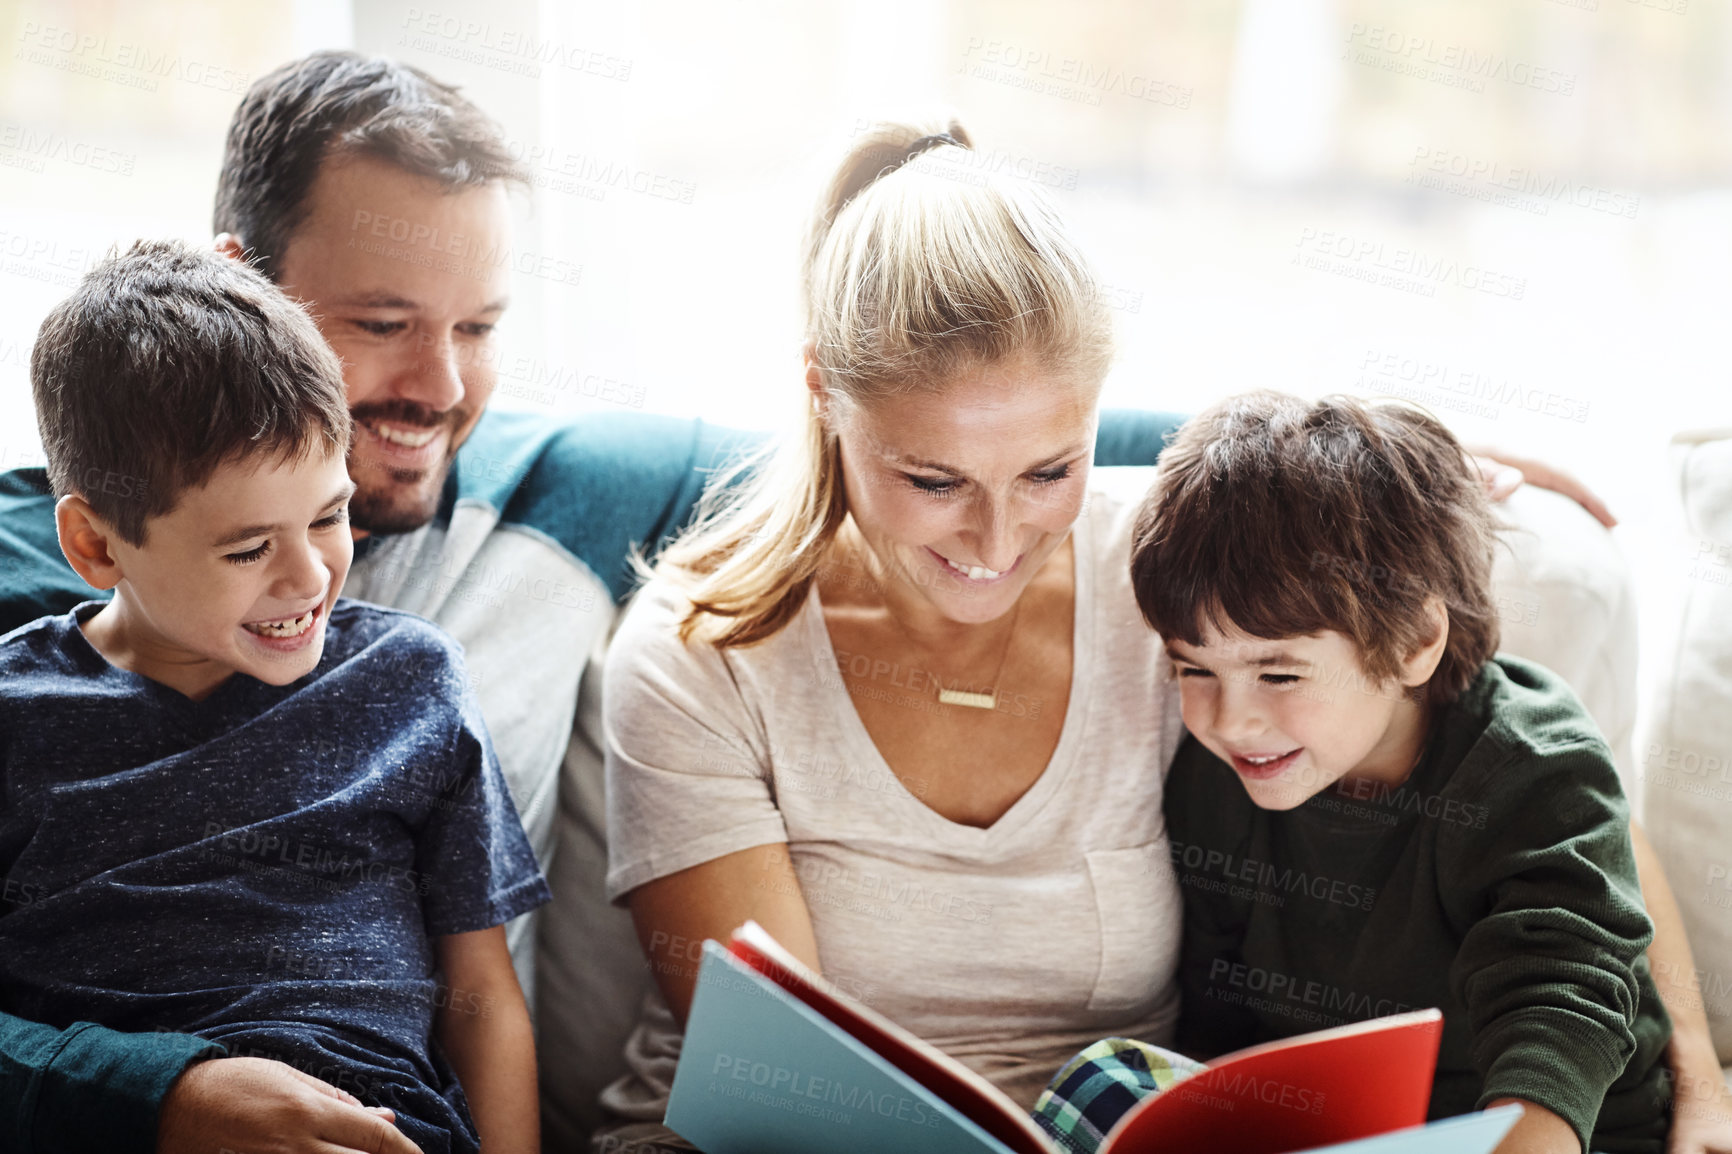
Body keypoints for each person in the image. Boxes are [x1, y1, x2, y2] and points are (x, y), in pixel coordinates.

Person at [0, 54, 1188, 1153]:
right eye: (380, 325)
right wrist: (152, 1098)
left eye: (479, 327)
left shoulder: (559, 484)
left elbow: (958, 416)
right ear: (241, 288)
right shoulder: (33, 591)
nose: (442, 386)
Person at [592, 122, 1732, 1154]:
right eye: (933, 478)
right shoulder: (701, 651)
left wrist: (1694, 1067)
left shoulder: (1172, 571)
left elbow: (1543, 785)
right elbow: (776, 1076)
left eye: (1050, 467)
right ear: (822, 397)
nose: (999, 538)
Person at [2, 240, 549, 1154]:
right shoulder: (19, 718)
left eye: (330, 516)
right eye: (248, 548)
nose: (308, 578)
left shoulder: (411, 685)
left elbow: (483, 1001)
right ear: (96, 546)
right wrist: (159, 1100)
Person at [1056, 390, 1672, 1154]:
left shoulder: (1533, 763)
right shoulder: (1217, 777)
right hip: (1341, 1126)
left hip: (1559, 1132)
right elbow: (1218, 1003)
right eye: (1193, 668)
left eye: (1278, 676)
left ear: (1416, 638)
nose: (1227, 719)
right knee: (1094, 1085)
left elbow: (1564, 994)